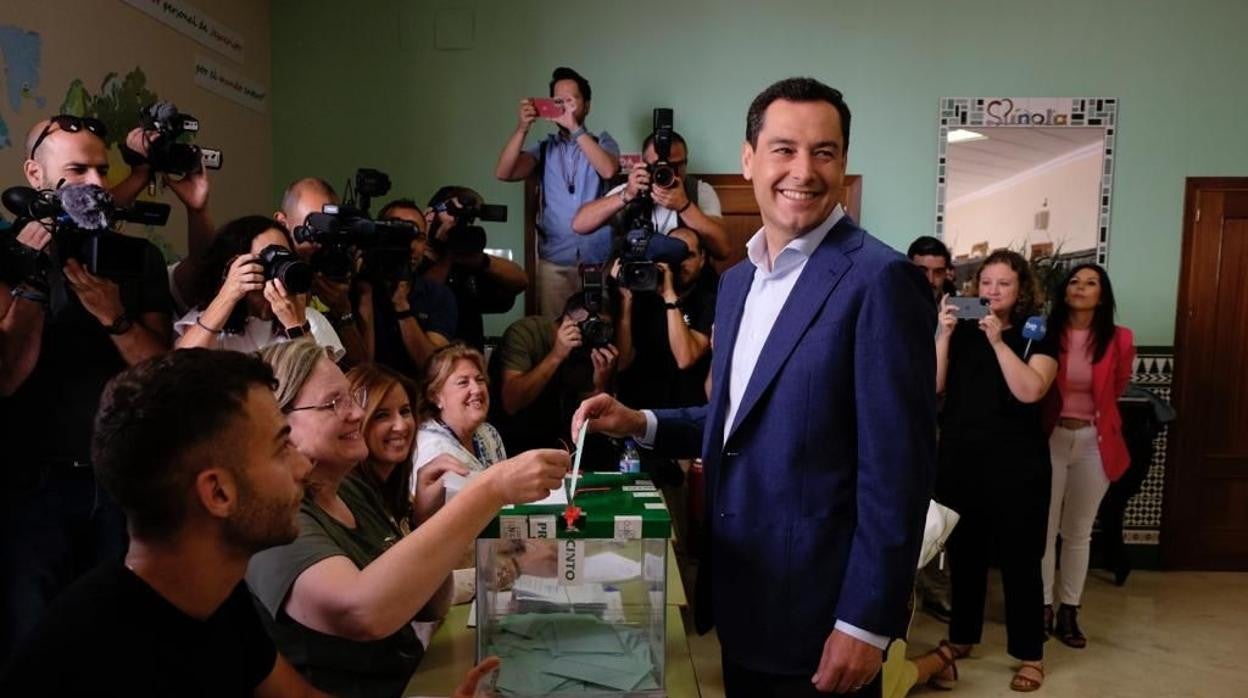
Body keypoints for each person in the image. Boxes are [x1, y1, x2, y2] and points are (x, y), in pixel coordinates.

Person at [573, 78, 936, 697]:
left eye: (824, 152)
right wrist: (640, 422)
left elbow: (899, 471)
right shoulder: (739, 282)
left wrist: (866, 622)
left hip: (824, 616)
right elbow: (737, 419)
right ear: (749, 160)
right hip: (744, 602)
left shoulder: (880, 280)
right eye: (784, 149)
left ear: (843, 164)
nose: (804, 170)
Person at [246, 339, 569, 697]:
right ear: (279, 421)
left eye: (350, 398)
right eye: (333, 403)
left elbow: (429, 603)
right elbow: (363, 612)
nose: (355, 414)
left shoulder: (352, 491)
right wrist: (491, 489)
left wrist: (428, 522)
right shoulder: (275, 522)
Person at [0, 349, 328, 696]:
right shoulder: (97, 662)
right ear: (217, 493)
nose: (304, 467)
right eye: (281, 449)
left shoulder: (214, 593)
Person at [0, 115, 172, 660]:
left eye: (102, 169)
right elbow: (5, 376)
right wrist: (33, 274)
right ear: (36, 173)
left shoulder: (136, 258)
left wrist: (115, 316)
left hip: (119, 481)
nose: (96, 183)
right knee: (29, 637)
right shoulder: (7, 255)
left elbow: (159, 375)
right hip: (29, 486)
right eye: (77, 169)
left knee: (117, 640)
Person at [934, 249, 1058, 692]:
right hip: (963, 460)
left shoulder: (1037, 332)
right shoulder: (963, 329)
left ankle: (1030, 655)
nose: (992, 291)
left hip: (1018, 466)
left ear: (1021, 289)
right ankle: (962, 636)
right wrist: (944, 334)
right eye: (986, 283)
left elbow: (1030, 391)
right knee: (965, 556)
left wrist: (999, 343)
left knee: (1021, 561)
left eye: (1003, 284)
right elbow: (936, 386)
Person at [1040, 263, 1135, 649]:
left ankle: (1069, 611)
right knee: (1043, 530)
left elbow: (1118, 385)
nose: (1081, 288)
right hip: (1050, 438)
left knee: (1077, 532)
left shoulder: (1121, 339)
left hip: (1094, 442)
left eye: (1091, 283)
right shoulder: (1047, 333)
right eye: (1074, 282)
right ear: (1064, 292)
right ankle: (1042, 605)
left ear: (1103, 294)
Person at [495, 67, 621, 318]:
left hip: (599, 260)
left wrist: (575, 128)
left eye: (570, 101)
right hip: (555, 261)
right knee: (554, 337)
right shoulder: (544, 148)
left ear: (587, 106)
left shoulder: (603, 142)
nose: (563, 106)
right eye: (557, 101)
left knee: (601, 334)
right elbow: (504, 172)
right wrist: (522, 128)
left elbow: (608, 170)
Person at [174, 216, 345, 358]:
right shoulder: (210, 319)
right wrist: (228, 294)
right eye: (265, 262)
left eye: (283, 259)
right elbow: (179, 367)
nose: (274, 271)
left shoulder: (310, 320)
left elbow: (327, 387)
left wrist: (297, 327)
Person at [492, 293, 620, 468]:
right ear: (568, 321)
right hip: (515, 438)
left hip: (563, 442)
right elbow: (511, 402)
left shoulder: (594, 348)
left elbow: (588, 423)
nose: (595, 332)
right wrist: (556, 355)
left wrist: (601, 385)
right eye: (590, 326)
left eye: (602, 328)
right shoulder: (527, 333)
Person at [572, 130, 730, 259]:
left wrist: (685, 207)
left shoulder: (699, 190)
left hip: (685, 287)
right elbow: (579, 225)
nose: (666, 172)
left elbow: (723, 250)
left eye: (674, 166)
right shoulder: (632, 189)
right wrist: (626, 195)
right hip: (638, 283)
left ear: (686, 164)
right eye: (657, 166)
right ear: (643, 164)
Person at [411, 188, 528, 350]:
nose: (458, 222)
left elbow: (520, 280)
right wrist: (447, 256)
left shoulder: (469, 264)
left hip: (469, 365)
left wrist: (480, 260)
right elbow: (424, 298)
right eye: (452, 213)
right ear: (429, 215)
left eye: (467, 218)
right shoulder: (411, 259)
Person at [273, 176, 369, 366]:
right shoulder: (272, 273)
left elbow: (363, 369)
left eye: (328, 227)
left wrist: (343, 310)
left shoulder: (340, 271)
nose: (319, 239)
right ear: (282, 223)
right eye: (313, 225)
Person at [412, 343, 507, 478]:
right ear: (435, 396)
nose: (477, 389)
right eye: (463, 382)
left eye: (480, 380)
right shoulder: (431, 449)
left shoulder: (488, 433)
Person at [907, 235, 956, 302]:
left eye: (938, 272)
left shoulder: (956, 310)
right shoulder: (892, 307)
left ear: (945, 274)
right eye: (922, 271)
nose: (930, 280)